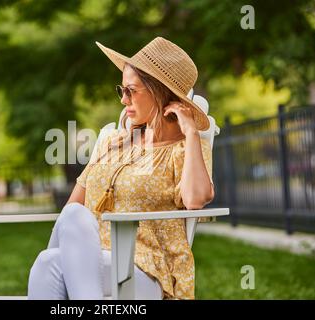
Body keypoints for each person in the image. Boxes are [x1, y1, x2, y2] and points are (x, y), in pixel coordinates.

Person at [27, 36, 215, 300]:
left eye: (131, 91)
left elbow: (196, 199)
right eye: (121, 90)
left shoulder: (184, 149)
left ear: (160, 92)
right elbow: (72, 209)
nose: (123, 100)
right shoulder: (110, 143)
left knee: (50, 263)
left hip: (143, 269)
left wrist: (192, 133)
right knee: (57, 244)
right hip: (88, 258)